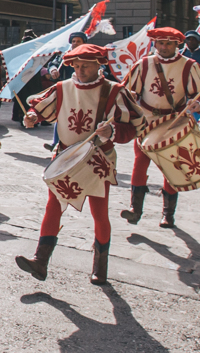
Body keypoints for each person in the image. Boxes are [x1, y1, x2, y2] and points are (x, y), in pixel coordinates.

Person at [16, 43, 125, 284]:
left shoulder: (114, 91)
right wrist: (33, 116)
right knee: (53, 206)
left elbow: (132, 125)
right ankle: (40, 261)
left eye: (86, 65)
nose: (80, 70)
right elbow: (42, 109)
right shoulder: (62, 88)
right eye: (76, 66)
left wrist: (112, 131)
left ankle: (100, 267)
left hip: (97, 158)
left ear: (98, 65)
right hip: (65, 157)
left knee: (99, 212)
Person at [116, 26, 200, 228]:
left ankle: (168, 214)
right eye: (161, 43)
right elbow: (129, 90)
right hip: (147, 119)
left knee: (172, 164)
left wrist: (197, 103)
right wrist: (131, 97)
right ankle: (135, 209)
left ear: (177, 45)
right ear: (155, 43)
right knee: (140, 162)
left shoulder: (189, 65)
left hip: (174, 120)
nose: (164, 47)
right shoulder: (143, 64)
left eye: (169, 43)